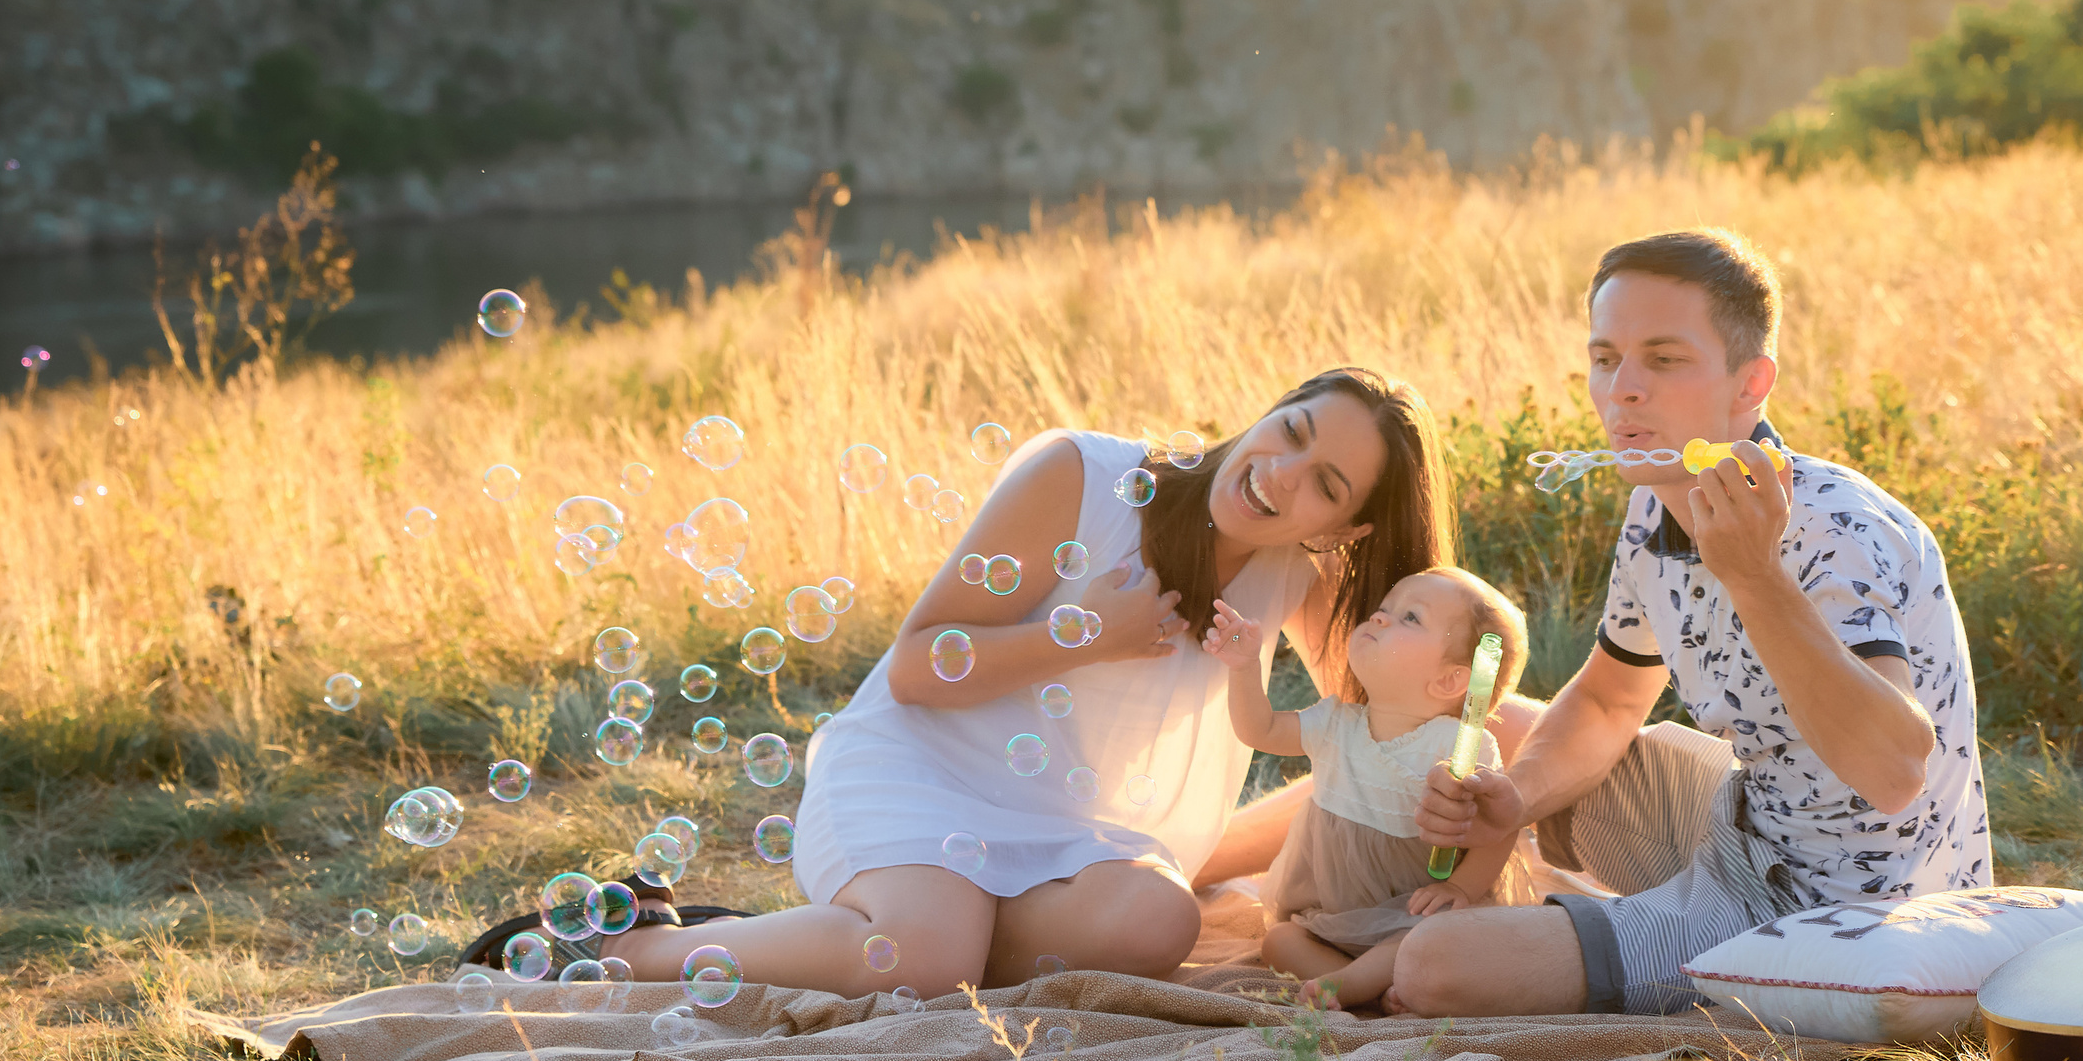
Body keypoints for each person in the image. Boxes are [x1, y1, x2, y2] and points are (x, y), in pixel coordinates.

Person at [599, 367, 1457, 998]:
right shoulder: (1086, 479)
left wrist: (1498, 765)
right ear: (1276, 407)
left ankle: (896, 934)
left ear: (1349, 526)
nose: (1280, 473)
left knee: (1163, 920)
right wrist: (1082, 636)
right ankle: (647, 946)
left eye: (1326, 485)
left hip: (1065, 835)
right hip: (918, 777)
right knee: (927, 962)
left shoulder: (1288, 577)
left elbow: (1381, 732)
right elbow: (915, 666)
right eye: (1294, 430)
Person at [1391, 229, 1991, 1018]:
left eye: (1663, 359)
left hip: (1828, 905)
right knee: (1494, 730)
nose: (1622, 390)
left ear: (1751, 384)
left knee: (1434, 967)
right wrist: (1519, 798)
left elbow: (1892, 771)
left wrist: (1753, 575)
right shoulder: (1655, 504)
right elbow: (1609, 700)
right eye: (1606, 358)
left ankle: (1607, 935)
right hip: (1746, 814)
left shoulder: (1830, 526)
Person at [1204, 567, 1531, 1010]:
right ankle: (1377, 983)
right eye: (1383, 609)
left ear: (1452, 681)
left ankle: (1358, 984)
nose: (1379, 618)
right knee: (1279, 939)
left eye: (1410, 617)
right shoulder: (1335, 724)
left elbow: (1499, 831)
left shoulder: (1456, 747)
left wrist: (1461, 890)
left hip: (1415, 910)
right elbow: (1258, 729)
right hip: (1334, 917)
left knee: (1429, 937)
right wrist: (1244, 668)